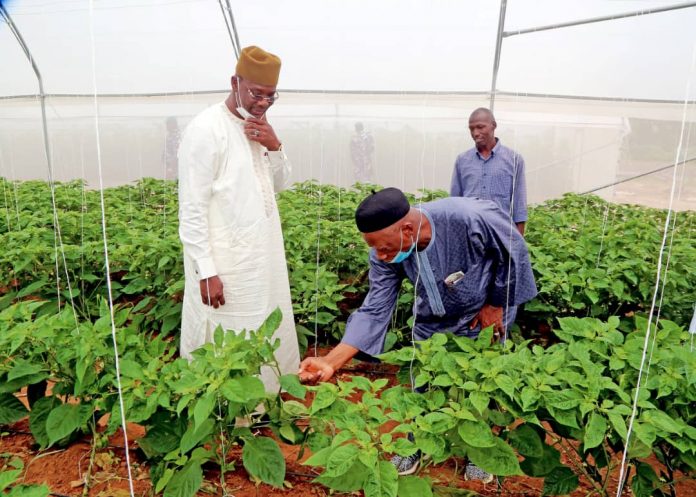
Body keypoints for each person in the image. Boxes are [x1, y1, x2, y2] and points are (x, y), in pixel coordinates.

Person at [299, 187, 537, 477]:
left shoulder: (469, 217)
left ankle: (481, 452)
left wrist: (496, 304)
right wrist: (331, 361)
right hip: (432, 316)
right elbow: (375, 309)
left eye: (384, 248)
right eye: (374, 249)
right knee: (423, 380)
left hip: (483, 312)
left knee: (482, 380)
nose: (380, 255)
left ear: (408, 230)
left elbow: (514, 252)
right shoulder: (385, 254)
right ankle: (415, 445)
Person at [177, 46, 300, 392]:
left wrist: (274, 145)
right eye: (256, 94)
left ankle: (265, 402)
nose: (263, 103)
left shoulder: (259, 126)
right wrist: (206, 270)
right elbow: (192, 208)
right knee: (226, 335)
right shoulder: (206, 129)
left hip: (262, 257)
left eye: (270, 96)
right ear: (235, 83)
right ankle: (227, 410)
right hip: (225, 262)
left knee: (264, 325)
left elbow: (278, 184)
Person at [450, 107, 527, 236]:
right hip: (469, 233)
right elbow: (454, 203)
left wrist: (518, 242)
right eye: (471, 129)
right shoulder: (462, 160)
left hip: (500, 234)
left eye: (480, 127)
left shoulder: (514, 159)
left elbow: (519, 206)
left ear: (493, 126)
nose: (475, 133)